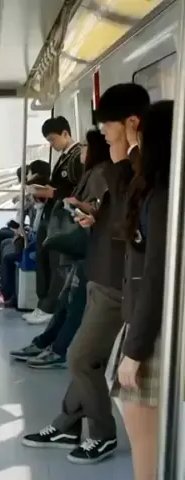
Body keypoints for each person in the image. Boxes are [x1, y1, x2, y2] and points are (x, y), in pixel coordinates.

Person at [21, 83, 150, 465]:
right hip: (100, 271)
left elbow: (138, 228)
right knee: (86, 356)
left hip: (116, 282)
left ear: (131, 124)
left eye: (109, 126)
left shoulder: (139, 169)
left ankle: (103, 433)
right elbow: (120, 218)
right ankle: (67, 423)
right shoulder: (122, 167)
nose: (104, 135)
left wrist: (119, 162)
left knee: (80, 357)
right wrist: (94, 217)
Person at [110, 100, 171, 479]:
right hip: (146, 320)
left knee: (142, 430)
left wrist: (135, 349)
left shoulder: (162, 196)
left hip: (152, 329)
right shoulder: (157, 188)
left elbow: (157, 274)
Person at [12, 130, 110, 366]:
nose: (82, 150)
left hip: (91, 248)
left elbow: (100, 209)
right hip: (85, 249)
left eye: (86, 146)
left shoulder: (99, 174)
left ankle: (57, 349)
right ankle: (45, 342)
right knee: (67, 300)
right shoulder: (91, 172)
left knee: (74, 303)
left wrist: (78, 205)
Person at [24, 116, 84, 325]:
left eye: (53, 139)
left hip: (65, 219)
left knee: (57, 264)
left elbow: (77, 190)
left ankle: (50, 307)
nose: (52, 144)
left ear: (65, 133)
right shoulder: (64, 157)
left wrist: (52, 192)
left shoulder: (77, 157)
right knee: (45, 260)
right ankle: (43, 304)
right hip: (53, 214)